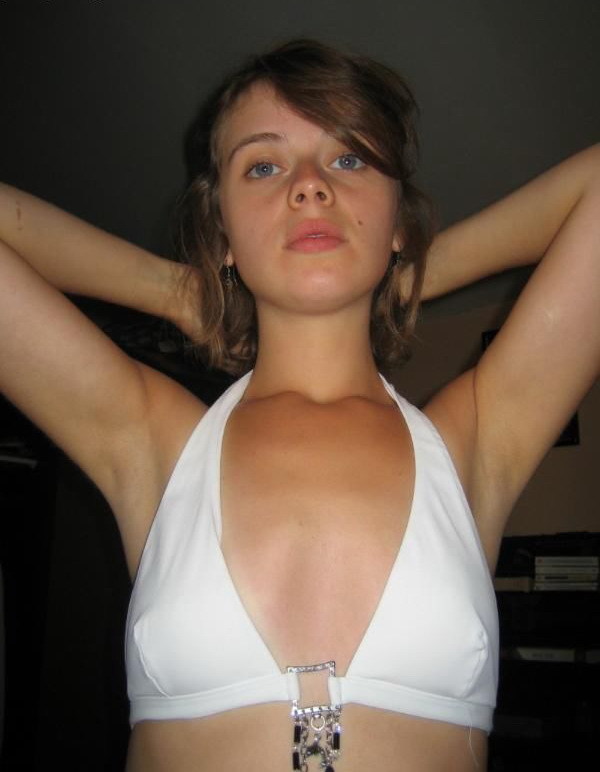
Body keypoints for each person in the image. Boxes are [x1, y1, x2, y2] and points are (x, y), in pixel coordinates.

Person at [0, 38, 598, 772]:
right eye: (263, 165)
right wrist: (178, 291)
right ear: (221, 230)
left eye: (349, 159)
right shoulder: (153, 441)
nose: (310, 186)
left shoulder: (474, 442)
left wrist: (405, 274)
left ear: (399, 218)